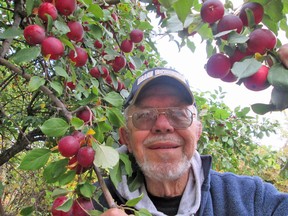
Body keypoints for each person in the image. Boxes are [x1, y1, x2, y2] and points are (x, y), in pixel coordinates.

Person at [96, 67, 288, 216]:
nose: (163, 125)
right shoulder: (92, 203)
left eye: (179, 114)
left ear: (197, 132)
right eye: (145, 115)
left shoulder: (251, 199)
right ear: (126, 138)